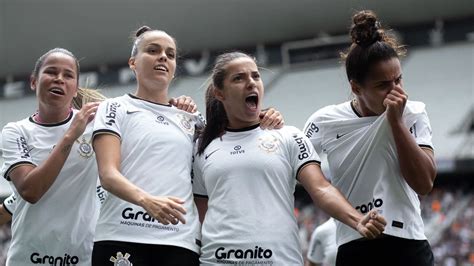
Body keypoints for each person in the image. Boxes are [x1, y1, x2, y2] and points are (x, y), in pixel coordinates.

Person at [91, 26, 283, 266]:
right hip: (121, 235)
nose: (163, 57)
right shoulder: (113, 108)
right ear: (133, 63)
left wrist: (266, 119)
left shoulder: (192, 119)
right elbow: (108, 174)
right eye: (153, 51)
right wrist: (146, 200)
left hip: (179, 242)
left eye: (170, 54)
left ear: (173, 69)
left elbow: (235, 143)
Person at [192, 51, 387, 265]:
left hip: (279, 260)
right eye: (239, 78)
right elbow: (200, 213)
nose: (251, 83)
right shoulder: (202, 147)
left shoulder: (289, 136)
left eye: (255, 76)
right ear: (220, 93)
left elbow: (321, 188)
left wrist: (358, 221)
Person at [303, 10, 436, 266]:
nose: (397, 91)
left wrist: (395, 121)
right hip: (355, 245)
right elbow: (294, 164)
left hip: (408, 245)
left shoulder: (414, 113)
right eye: (383, 85)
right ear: (356, 87)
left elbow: (424, 184)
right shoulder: (324, 121)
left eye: (399, 79)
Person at [0, 48, 100, 265]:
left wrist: (177, 106)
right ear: (34, 81)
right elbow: (30, 190)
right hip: (28, 259)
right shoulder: (15, 132)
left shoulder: (97, 125)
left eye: (68, 75)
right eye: (51, 72)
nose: (59, 79)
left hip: (83, 258)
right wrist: (71, 135)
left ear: (75, 89)